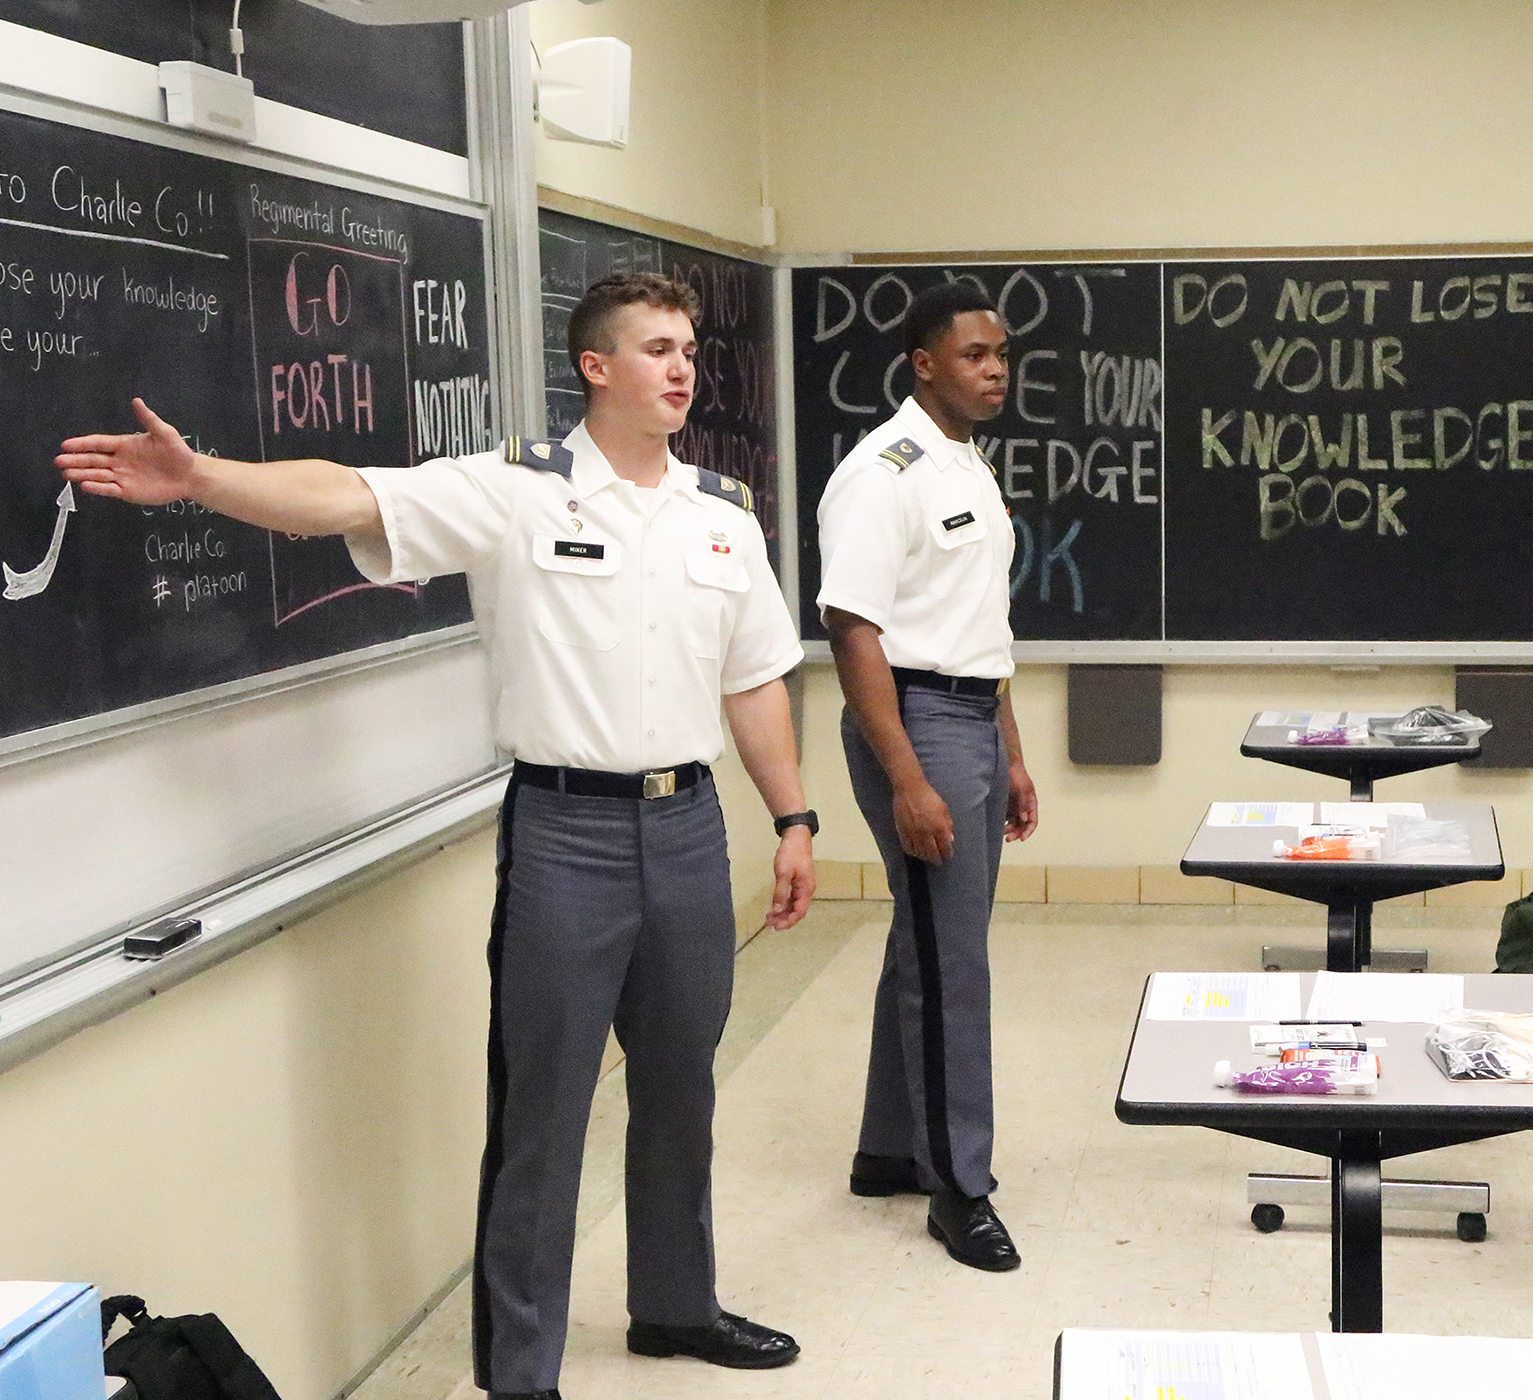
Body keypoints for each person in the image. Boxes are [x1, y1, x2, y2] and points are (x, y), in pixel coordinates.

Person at [55, 272, 814, 1398]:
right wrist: (202, 478)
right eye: (657, 347)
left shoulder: (721, 513)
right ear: (595, 368)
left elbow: (755, 680)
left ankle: (674, 1302)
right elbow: (347, 496)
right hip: (566, 832)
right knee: (543, 1113)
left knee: (681, 1086)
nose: (683, 366)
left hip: (689, 826)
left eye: (689, 348)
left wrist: (792, 815)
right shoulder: (515, 490)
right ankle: (521, 1371)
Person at [815, 280, 1039, 1273]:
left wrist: (1013, 750)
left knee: (932, 938)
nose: (996, 370)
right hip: (914, 721)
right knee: (954, 964)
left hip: (972, 712)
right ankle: (959, 1187)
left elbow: (974, 627)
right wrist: (908, 778)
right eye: (976, 355)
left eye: (1002, 354)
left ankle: (888, 1147)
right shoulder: (883, 472)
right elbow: (851, 629)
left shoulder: (965, 463)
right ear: (924, 362)